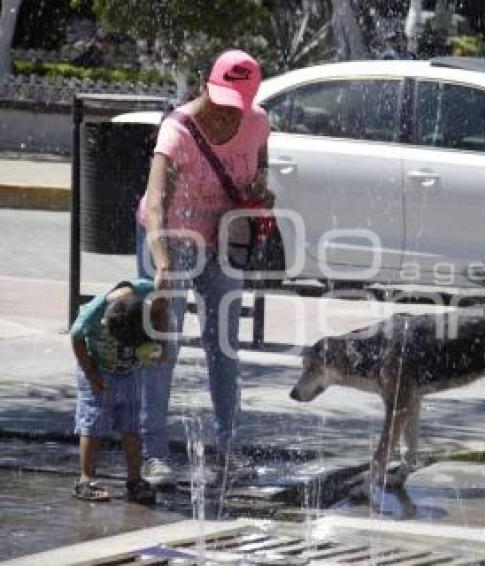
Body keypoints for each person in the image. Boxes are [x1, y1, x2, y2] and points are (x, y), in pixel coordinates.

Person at [136, 49, 272, 486]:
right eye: (220, 97)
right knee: (162, 348)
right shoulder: (178, 130)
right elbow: (156, 202)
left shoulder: (257, 122)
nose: (225, 111)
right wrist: (161, 265)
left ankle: (229, 449)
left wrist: (260, 193)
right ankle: (153, 455)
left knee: (225, 348)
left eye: (236, 101)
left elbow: (262, 164)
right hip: (171, 242)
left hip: (223, 244)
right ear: (203, 85)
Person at [71, 279, 161, 503]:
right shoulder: (93, 314)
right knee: (93, 425)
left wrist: (161, 342)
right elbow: (76, 337)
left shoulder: (147, 292)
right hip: (99, 373)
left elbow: (163, 305)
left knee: (131, 427)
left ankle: (134, 480)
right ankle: (86, 480)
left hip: (130, 372)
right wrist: (90, 372)